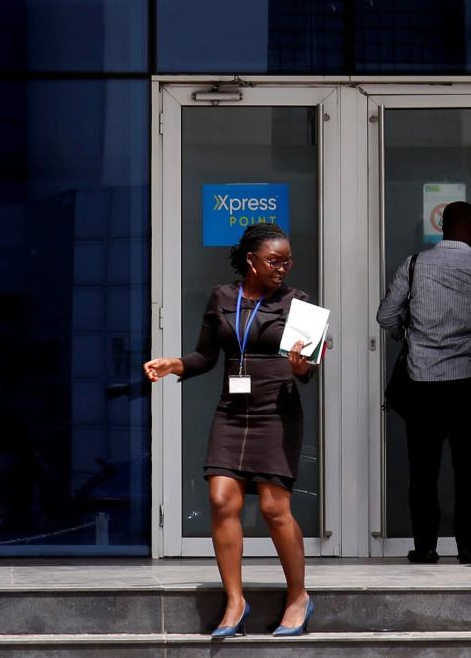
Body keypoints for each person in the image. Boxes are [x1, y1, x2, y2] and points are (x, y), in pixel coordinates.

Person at [143, 223, 318, 638]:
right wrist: (175, 364)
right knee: (221, 500)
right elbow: (206, 355)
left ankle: (298, 596)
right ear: (252, 260)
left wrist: (300, 365)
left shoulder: (300, 302)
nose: (283, 268)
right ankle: (235, 601)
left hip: (277, 411)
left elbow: (308, 370)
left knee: (276, 509)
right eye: (274, 261)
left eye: (287, 261)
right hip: (232, 411)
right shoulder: (223, 297)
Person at [376, 201, 471, 564]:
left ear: (442, 227)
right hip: (468, 382)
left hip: (422, 381)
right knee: (470, 472)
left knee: (423, 472)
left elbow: (386, 316)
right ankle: (469, 547)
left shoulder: (414, 264)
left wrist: (407, 337)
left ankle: (425, 546)